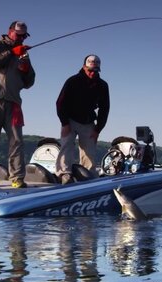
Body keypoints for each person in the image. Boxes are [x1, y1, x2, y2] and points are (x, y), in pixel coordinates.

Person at [0, 21, 36, 188]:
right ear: (10, 32)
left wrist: (25, 68)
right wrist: (11, 52)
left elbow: (29, 82)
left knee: (17, 140)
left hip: (13, 102)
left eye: (24, 36)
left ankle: (17, 177)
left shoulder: (23, 53)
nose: (21, 38)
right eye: (19, 35)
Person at [55, 54, 110, 184]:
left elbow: (104, 108)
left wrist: (98, 129)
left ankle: (88, 174)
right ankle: (64, 174)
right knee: (66, 146)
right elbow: (60, 103)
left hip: (88, 121)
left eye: (95, 71)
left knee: (89, 150)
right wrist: (65, 123)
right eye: (90, 70)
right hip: (70, 119)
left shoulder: (102, 85)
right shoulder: (72, 81)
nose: (92, 73)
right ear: (84, 67)